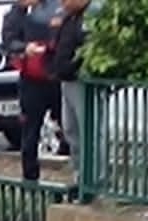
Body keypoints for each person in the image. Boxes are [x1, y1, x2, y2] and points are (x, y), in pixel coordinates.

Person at [1, 0, 64, 183]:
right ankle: (30, 176)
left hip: (57, 78)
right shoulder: (16, 14)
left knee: (68, 125)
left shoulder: (58, 7)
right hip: (31, 80)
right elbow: (8, 40)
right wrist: (24, 48)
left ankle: (76, 173)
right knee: (30, 130)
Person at [51, 0, 91, 179]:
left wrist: (73, 66)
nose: (62, 3)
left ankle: (93, 177)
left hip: (80, 81)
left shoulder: (89, 17)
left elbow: (88, 49)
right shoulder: (69, 17)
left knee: (87, 130)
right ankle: (79, 173)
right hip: (65, 81)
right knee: (70, 129)